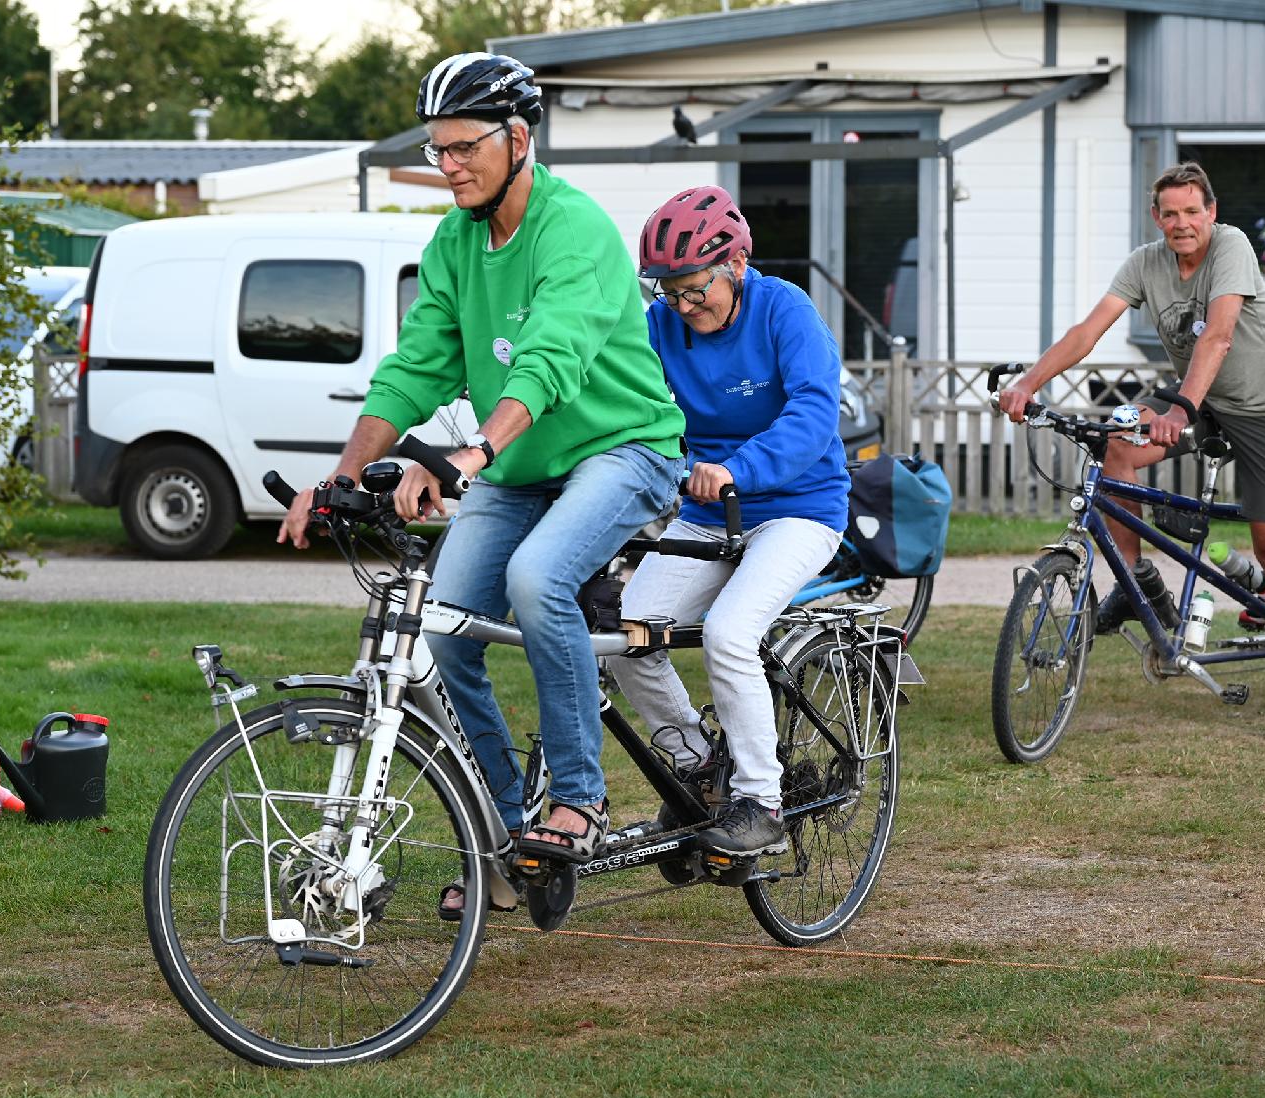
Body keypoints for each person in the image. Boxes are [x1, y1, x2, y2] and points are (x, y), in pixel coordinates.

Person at [275, 54, 684, 894]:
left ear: (518, 139)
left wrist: (476, 451)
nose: (450, 166)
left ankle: (579, 798)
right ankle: (506, 825)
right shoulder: (455, 242)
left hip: (624, 449)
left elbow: (549, 357)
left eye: (465, 147)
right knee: (440, 631)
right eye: (439, 149)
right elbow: (416, 368)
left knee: (538, 579)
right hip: (522, 467)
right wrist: (342, 474)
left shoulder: (574, 229)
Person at [998, 162, 1265, 745]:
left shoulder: (1231, 247)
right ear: (1156, 217)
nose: (1182, 223)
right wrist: (1028, 383)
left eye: (1192, 211)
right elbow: (1087, 331)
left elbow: (1218, 336)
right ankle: (1137, 583)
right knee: (1117, 444)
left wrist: (1180, 411)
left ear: (1211, 212)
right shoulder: (1145, 263)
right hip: (1199, 397)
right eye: (1170, 213)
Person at [607, 186, 849, 858]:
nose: (684, 306)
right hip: (707, 512)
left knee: (730, 632)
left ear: (736, 265)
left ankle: (761, 803)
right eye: (668, 292)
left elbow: (813, 413)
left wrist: (738, 467)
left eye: (695, 289)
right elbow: (628, 403)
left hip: (799, 508)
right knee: (627, 636)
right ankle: (702, 770)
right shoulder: (660, 325)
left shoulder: (785, 309)